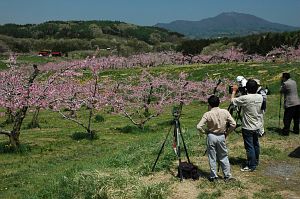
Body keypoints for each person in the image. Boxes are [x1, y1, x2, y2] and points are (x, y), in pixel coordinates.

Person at [197, 95, 236, 181]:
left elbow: (199, 126)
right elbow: (234, 124)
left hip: (211, 136)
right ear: (219, 103)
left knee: (212, 156)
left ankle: (214, 176)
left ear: (209, 104)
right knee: (223, 156)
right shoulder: (225, 112)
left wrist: (205, 132)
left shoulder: (207, 114)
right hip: (221, 135)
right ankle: (227, 175)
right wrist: (227, 132)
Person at [231, 79, 263, 172]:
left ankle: (251, 165)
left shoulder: (245, 98)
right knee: (255, 144)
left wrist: (234, 91)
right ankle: (256, 161)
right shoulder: (260, 97)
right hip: (257, 125)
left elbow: (232, 101)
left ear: (246, 88)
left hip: (248, 126)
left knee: (249, 146)